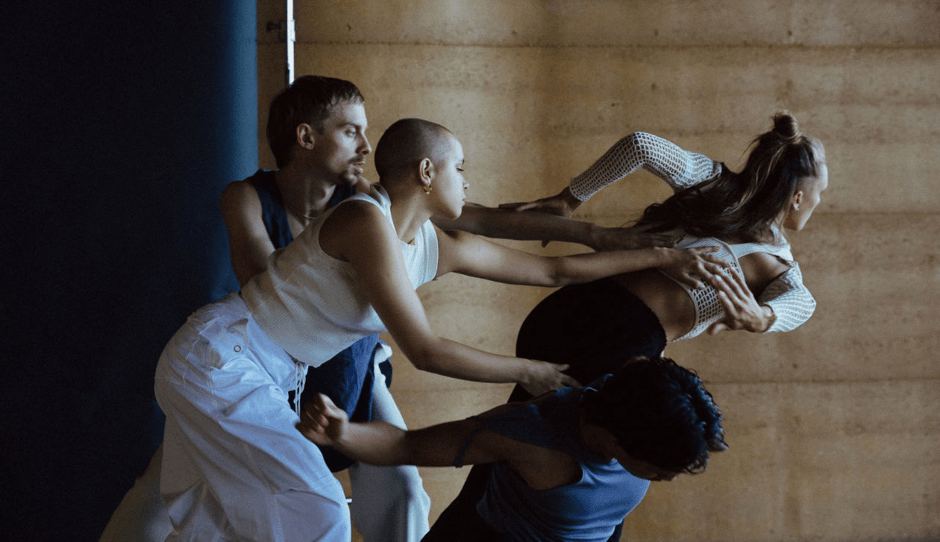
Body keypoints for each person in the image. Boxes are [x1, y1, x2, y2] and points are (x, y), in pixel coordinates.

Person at [100, 76, 682, 542]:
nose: (467, 181)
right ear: (426, 172)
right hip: (222, 359)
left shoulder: (431, 244)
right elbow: (425, 350)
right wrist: (529, 370)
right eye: (460, 167)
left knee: (199, 519)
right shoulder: (363, 219)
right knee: (319, 508)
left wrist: (654, 253)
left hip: (267, 371)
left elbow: (553, 270)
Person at [435, 112, 827, 541]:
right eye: (820, 194)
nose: (819, 202)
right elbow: (803, 302)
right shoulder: (776, 265)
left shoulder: (712, 182)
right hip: (619, 343)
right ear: (796, 198)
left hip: (569, 310)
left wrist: (571, 197)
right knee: (608, 476)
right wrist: (763, 318)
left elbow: (641, 144)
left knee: (513, 445)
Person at [297, 356, 727, 542]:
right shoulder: (531, 437)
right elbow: (407, 446)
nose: (668, 478)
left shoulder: (636, 387)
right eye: (660, 470)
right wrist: (342, 433)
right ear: (619, 442)